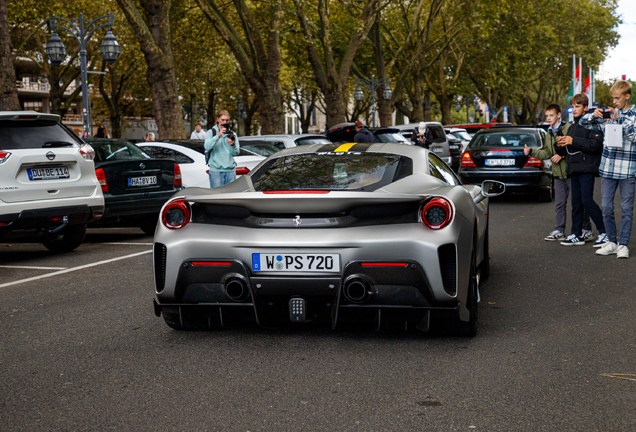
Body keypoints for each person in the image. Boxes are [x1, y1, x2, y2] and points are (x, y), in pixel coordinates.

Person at [581, 80, 636, 259]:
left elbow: (634, 135)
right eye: (613, 98)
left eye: (617, 98)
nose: (614, 102)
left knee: (627, 209)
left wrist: (618, 118)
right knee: (606, 207)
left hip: (628, 169)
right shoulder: (609, 113)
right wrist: (593, 116)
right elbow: (583, 124)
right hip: (608, 168)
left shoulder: (633, 114)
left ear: (627, 96)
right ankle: (611, 241)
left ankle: (623, 245)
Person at [524, 104, 592, 241]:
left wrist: (562, 156)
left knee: (579, 203)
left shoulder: (569, 128)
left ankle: (586, 229)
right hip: (557, 174)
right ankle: (560, 230)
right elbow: (547, 153)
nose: (549, 118)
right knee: (559, 204)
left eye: (552, 115)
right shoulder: (548, 133)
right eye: (547, 116)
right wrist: (531, 151)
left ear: (559, 115)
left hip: (571, 172)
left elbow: (575, 147)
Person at [556, 94, 606, 247]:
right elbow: (566, 152)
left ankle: (604, 232)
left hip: (587, 168)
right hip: (573, 168)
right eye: (573, 106)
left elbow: (596, 146)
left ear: (585, 108)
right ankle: (576, 234)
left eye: (578, 106)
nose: (574, 109)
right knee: (576, 203)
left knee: (587, 201)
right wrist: (560, 145)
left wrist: (573, 141)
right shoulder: (572, 126)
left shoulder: (592, 124)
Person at [204, 109, 240, 188]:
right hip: (216, 171)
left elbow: (236, 152)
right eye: (222, 120)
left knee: (231, 197)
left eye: (227, 120)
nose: (224, 122)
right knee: (217, 197)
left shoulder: (232, 134)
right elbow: (207, 147)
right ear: (217, 119)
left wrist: (233, 145)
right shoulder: (211, 132)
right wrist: (218, 135)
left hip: (230, 171)